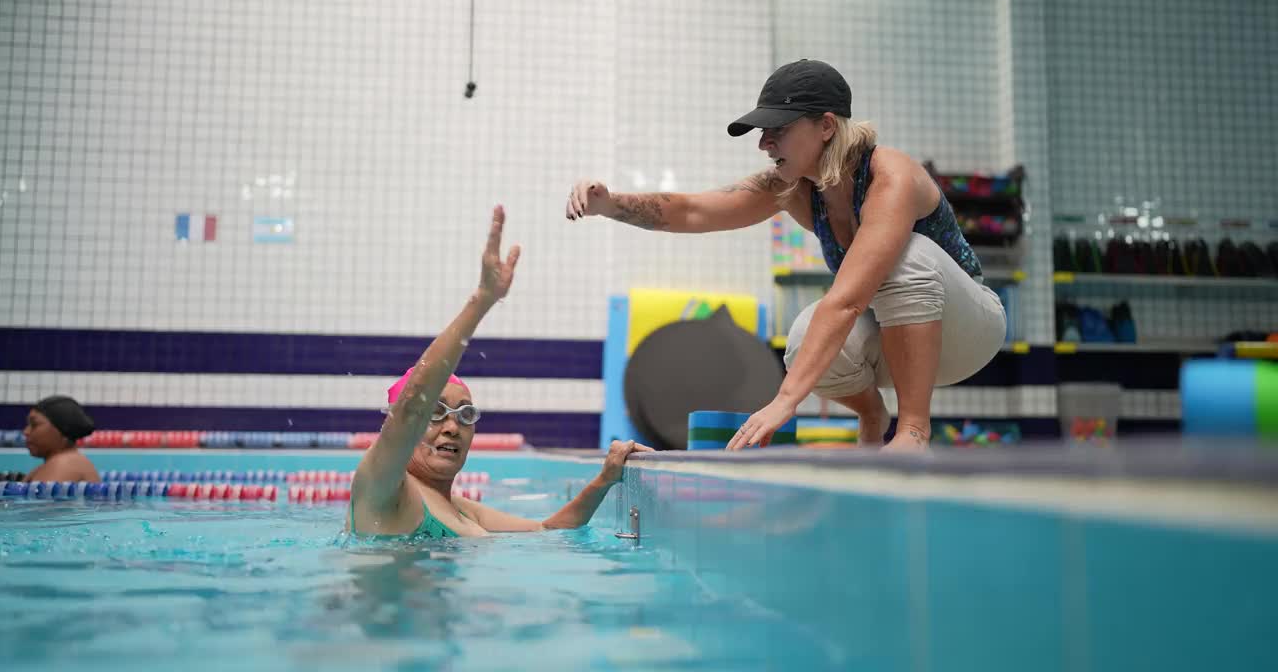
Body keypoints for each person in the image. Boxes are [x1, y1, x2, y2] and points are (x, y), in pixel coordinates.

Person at [566, 59, 1006, 452]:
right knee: (801, 340)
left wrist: (784, 401)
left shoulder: (890, 176)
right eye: (762, 131)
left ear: (827, 126)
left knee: (906, 257)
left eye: (778, 130)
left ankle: (913, 430)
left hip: (969, 329)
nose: (764, 144)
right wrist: (610, 204)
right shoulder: (794, 187)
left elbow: (848, 300)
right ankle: (874, 416)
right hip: (899, 342)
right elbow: (694, 209)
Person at [347, 205, 651, 539]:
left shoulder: (463, 509)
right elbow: (411, 404)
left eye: (465, 415)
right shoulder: (382, 490)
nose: (452, 427)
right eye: (435, 413)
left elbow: (546, 529)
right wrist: (482, 300)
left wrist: (605, 478)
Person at [24, 395, 101, 482]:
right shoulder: (57, 462)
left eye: (34, 425)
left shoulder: (65, 463)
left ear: (62, 430)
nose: (26, 432)